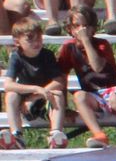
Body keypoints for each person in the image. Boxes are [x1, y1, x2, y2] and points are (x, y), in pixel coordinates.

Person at [57, 7, 116, 145]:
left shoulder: (102, 45)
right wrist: (65, 107)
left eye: (85, 26)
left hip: (115, 89)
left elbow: (97, 67)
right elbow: (61, 77)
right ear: (70, 29)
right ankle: (99, 135)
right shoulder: (69, 48)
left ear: (93, 28)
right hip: (94, 95)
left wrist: (86, 41)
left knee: (115, 99)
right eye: (77, 26)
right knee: (79, 96)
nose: (81, 30)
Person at [3, 19, 69, 148]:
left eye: (39, 37)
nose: (36, 42)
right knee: (11, 95)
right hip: (25, 103)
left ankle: (56, 135)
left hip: (45, 100)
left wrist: (37, 95)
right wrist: (35, 89)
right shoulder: (16, 57)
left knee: (57, 94)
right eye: (30, 39)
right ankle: (17, 136)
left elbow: (59, 81)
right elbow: (8, 85)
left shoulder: (47, 55)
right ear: (17, 42)